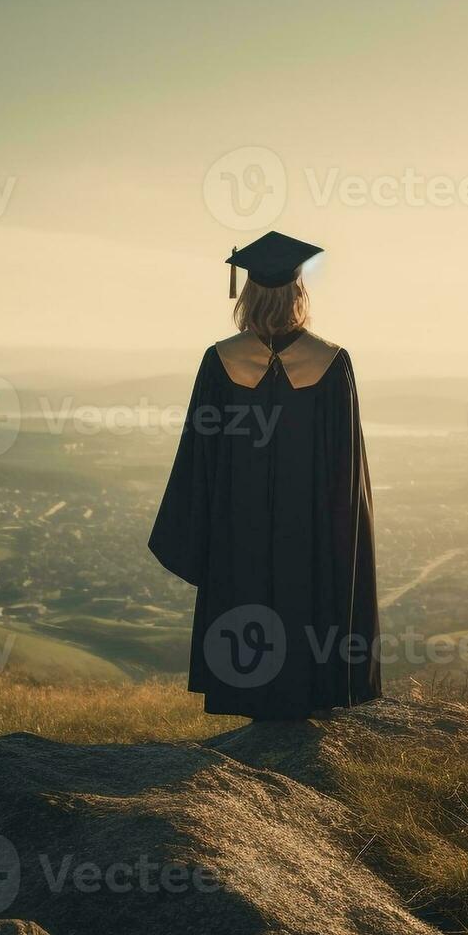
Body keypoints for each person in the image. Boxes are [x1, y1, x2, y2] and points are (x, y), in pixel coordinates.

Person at [148, 232, 380, 719]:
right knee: (308, 608)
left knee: (245, 606)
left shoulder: (220, 362)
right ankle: (310, 696)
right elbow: (346, 470)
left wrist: (201, 533)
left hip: (238, 532)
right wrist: (343, 543)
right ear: (300, 293)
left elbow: (198, 458)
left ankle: (251, 698)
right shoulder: (333, 364)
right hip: (310, 535)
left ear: (247, 294)